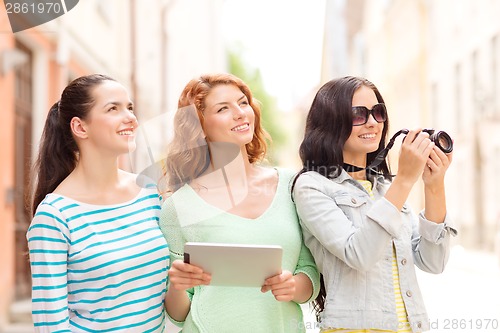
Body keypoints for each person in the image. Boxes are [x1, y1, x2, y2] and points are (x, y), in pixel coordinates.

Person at [291, 76, 457, 333]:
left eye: (378, 112)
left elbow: (432, 262)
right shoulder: (312, 186)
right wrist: (404, 180)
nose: (372, 122)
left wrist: (434, 186)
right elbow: (359, 254)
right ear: (331, 122)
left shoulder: (385, 188)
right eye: (358, 114)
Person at [159, 73, 320, 332]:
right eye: (223, 108)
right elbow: (178, 314)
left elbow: (310, 272)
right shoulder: (178, 207)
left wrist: (293, 287)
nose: (240, 113)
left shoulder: (292, 186)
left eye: (243, 103)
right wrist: (179, 285)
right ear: (199, 126)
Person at [27, 74, 170, 332]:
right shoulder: (54, 216)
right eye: (113, 108)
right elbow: (51, 325)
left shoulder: (148, 192)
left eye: (130, 107)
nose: (131, 118)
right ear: (80, 127)